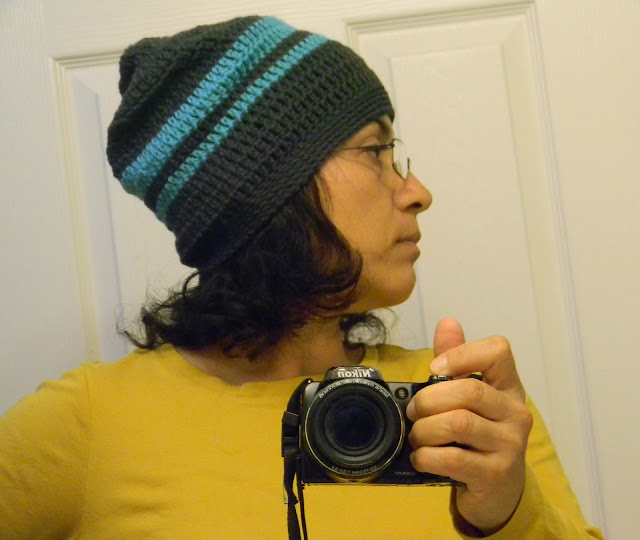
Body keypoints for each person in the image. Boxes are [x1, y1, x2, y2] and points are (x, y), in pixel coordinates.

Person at [0, 15, 603, 539]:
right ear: (261, 195)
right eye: (375, 151)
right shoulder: (93, 423)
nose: (417, 192)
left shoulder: (464, 409)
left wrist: (506, 513)